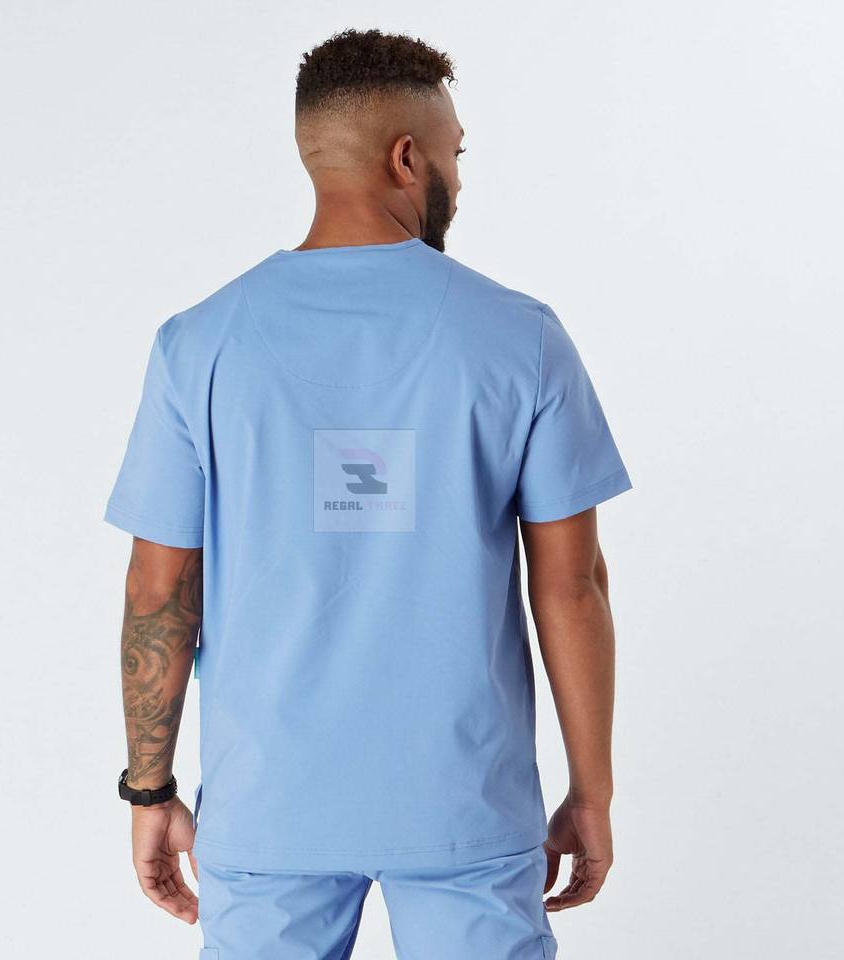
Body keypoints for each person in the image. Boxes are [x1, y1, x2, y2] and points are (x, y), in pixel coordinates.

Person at [105, 27, 632, 960]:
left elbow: (158, 591)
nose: (459, 178)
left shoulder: (200, 344)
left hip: (269, 811)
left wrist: (150, 791)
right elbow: (571, 586)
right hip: (465, 809)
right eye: (455, 153)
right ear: (406, 158)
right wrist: (591, 792)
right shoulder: (523, 339)